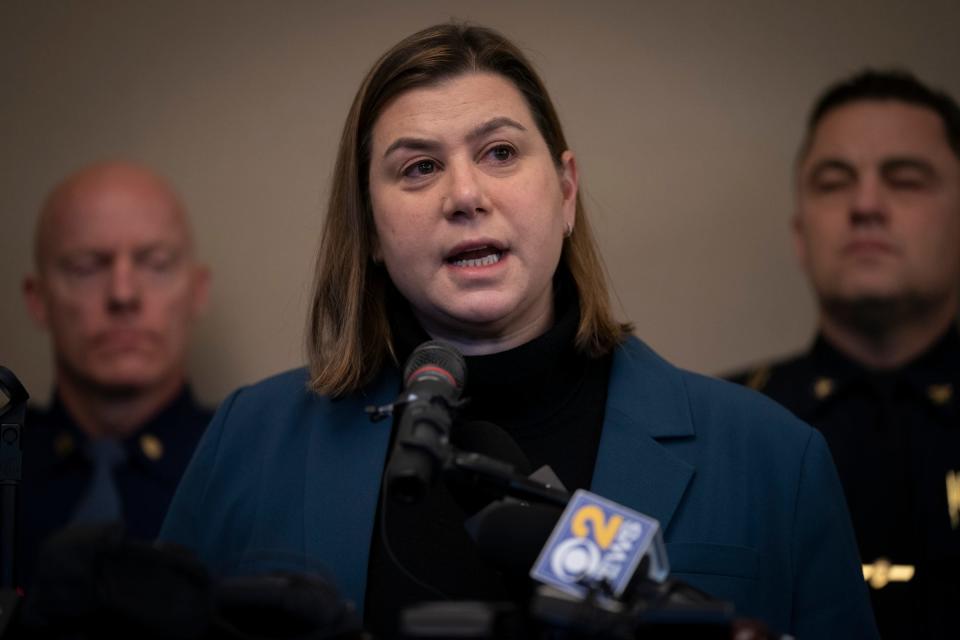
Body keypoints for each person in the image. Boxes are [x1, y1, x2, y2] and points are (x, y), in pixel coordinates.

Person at [160, 24, 876, 638]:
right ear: (370, 228)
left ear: (566, 191)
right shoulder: (251, 441)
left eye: (500, 153)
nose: (466, 195)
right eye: (418, 168)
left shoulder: (774, 456)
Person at [729, 70, 960, 638]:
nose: (865, 205)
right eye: (833, 182)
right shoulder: (721, 428)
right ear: (800, 232)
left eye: (905, 180)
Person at [19, 161, 213, 589]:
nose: (123, 294)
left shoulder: (244, 469)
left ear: (197, 292)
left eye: (155, 263)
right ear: (38, 300)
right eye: (87, 267)